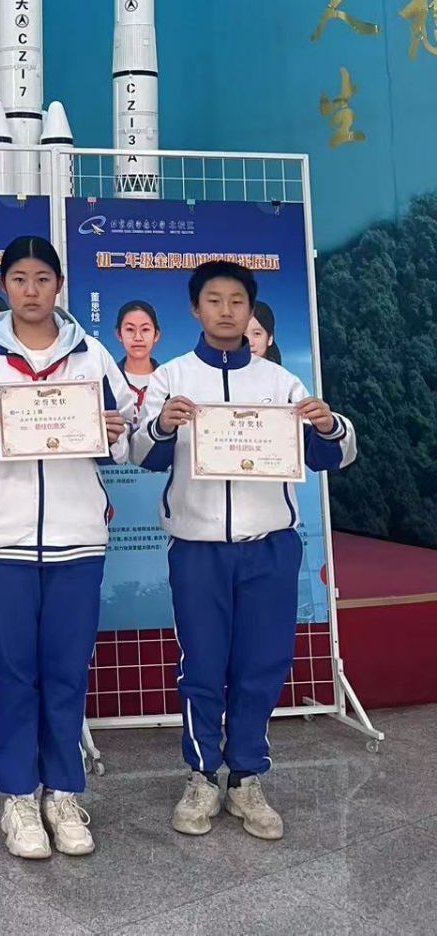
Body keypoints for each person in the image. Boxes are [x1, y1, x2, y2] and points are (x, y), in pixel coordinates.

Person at [130, 260, 356, 841]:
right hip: (198, 548)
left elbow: (330, 456)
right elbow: (141, 455)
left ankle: (247, 777)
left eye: (237, 301)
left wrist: (329, 424)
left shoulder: (280, 383)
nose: (226, 310)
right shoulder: (171, 378)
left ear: (251, 310)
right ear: (195, 309)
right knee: (203, 665)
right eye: (214, 300)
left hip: (271, 547)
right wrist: (161, 426)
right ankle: (203, 775)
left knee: (263, 663)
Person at [0, 235, 136, 861]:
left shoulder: (93, 356)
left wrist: (114, 432)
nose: (31, 290)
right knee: (14, 675)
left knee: (68, 671)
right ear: (3, 286)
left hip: (78, 538)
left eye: (42, 279)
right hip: (3, 540)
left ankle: (64, 793)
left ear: (58, 285)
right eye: (19, 279)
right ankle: (19, 797)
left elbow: (127, 437)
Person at [115, 299, 161, 407]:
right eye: (130, 329)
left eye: (145, 330)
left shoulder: (168, 379)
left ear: (156, 335)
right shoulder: (108, 379)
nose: (138, 338)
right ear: (119, 334)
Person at [246, 300, 282, 365]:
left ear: (270, 338)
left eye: (257, 333)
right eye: (242, 334)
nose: (250, 343)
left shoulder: (278, 371)